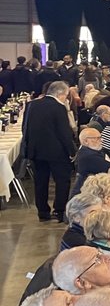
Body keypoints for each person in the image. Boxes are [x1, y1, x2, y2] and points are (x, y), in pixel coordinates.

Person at [23, 81, 76, 221]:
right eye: (66, 95)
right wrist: (72, 151)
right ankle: (59, 211)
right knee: (62, 181)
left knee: (40, 182)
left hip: (36, 151)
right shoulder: (58, 107)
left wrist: (28, 148)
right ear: (60, 94)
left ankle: (42, 212)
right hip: (57, 152)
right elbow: (64, 133)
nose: (66, 98)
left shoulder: (32, 104)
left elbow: (25, 127)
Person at [70, 127, 110, 198]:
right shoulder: (88, 156)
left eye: (100, 137)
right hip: (86, 197)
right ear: (86, 141)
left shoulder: (91, 150)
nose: (102, 140)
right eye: (97, 138)